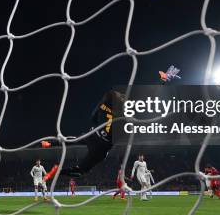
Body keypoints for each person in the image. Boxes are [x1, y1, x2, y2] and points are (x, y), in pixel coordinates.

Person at [44, 66, 181, 181]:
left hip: (94, 136)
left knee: (75, 140)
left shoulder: (103, 105)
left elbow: (93, 118)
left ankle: (51, 144)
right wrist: (162, 80)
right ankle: (58, 171)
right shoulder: (124, 112)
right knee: (80, 171)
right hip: (102, 147)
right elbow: (147, 98)